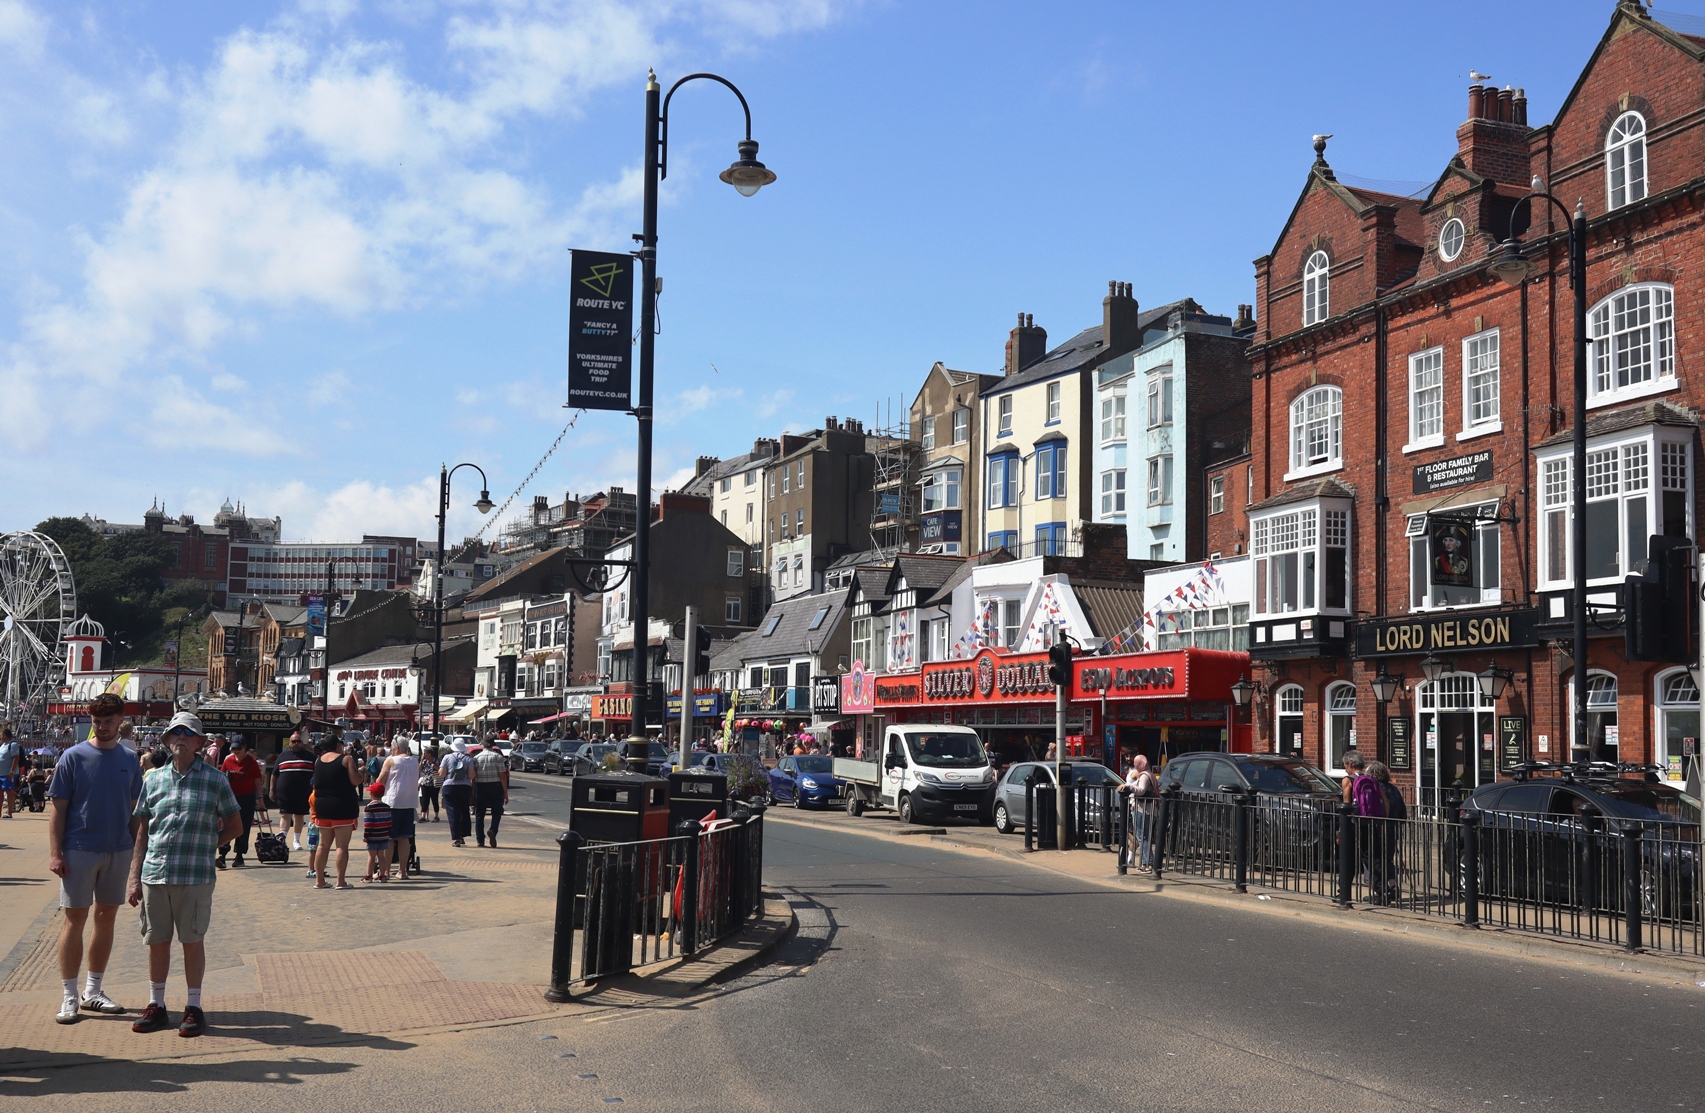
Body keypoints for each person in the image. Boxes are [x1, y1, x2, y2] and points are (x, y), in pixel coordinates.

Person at [126, 711, 242, 1038]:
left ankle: (193, 1006)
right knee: (156, 941)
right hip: (155, 874)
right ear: (166, 739)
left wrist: (207, 845)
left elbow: (235, 825)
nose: (180, 738)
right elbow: (143, 831)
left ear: (199, 742)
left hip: (195, 876)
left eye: (188, 733)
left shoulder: (215, 780)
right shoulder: (153, 780)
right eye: (175, 732)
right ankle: (157, 1004)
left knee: (192, 940)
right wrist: (134, 877)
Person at [46, 692, 145, 1024]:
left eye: (108, 721)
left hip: (118, 849)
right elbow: (58, 811)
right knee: (74, 919)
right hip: (79, 848)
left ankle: (93, 990)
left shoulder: (130, 759)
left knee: (106, 917)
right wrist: (56, 853)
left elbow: (135, 812)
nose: (102, 727)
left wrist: (137, 856)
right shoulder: (73, 757)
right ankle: (69, 995)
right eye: (97, 721)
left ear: (120, 722)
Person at [310, 736, 362, 889]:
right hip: (342, 806)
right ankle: (340, 881)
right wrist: (361, 773)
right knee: (341, 846)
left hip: (322, 806)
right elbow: (355, 780)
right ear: (338, 745)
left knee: (323, 845)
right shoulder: (346, 759)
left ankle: (319, 881)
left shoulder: (318, 761)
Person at [217, 739, 263, 869]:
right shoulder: (228, 760)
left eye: (238, 749)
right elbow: (221, 777)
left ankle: (239, 855)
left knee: (243, 826)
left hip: (247, 798)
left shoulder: (251, 762)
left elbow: (257, 782)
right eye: (233, 749)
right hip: (230, 798)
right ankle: (222, 855)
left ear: (244, 747)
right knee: (226, 825)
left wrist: (260, 799)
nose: (236, 751)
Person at [377, 737, 419, 880]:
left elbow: (380, 781)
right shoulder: (414, 761)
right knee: (404, 838)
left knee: (389, 839)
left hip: (392, 802)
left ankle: (386, 871)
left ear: (396, 748)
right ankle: (402, 871)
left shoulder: (391, 760)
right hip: (409, 802)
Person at [273, 733, 315, 851]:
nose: (296, 744)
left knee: (299, 816)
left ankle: (296, 840)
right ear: (289, 743)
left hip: (303, 793)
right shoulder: (282, 756)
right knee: (285, 815)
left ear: (302, 742)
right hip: (285, 793)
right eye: (293, 741)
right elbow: (274, 775)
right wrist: (271, 790)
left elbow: (317, 775)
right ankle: (282, 839)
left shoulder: (310, 756)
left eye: (298, 741)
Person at [471, 735, 509, 848]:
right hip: (495, 787)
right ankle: (493, 829)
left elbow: (473, 777)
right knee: (497, 811)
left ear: (483, 744)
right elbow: (502, 776)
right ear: (493, 745)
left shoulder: (476, 758)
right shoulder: (498, 757)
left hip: (480, 786)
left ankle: (480, 840)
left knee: (479, 814)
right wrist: (505, 792)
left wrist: (472, 792)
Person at [1123, 754, 1159, 871]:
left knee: (1142, 837)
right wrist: (1127, 786)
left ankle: (1149, 863)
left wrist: (1129, 788)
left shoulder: (1144, 776)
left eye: (1136, 763)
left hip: (1142, 810)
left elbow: (1141, 790)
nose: (1135, 765)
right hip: (1148, 810)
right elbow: (1134, 785)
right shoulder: (1149, 774)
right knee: (1143, 837)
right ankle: (1145, 863)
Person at [439, 741, 475, 848]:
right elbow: (471, 775)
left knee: (452, 812)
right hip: (465, 787)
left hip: (449, 786)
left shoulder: (447, 757)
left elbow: (442, 773)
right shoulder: (468, 759)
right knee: (464, 810)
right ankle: (463, 834)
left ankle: (457, 837)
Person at [360, 783, 393, 883]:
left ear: (371, 794)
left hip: (373, 835)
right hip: (384, 835)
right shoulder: (386, 807)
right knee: (381, 856)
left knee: (371, 856)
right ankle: (382, 875)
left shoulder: (369, 807)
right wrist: (388, 832)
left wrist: (366, 835)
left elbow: (368, 823)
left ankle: (369, 876)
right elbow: (389, 821)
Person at [0, 726, 21, 818]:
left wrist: (12, 770)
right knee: (0, 792)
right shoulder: (2, 745)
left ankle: (9, 812)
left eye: (1, 735)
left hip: (8, 773)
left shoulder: (12, 744)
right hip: (1, 773)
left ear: (4, 735)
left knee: (9, 791)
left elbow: (16, 757)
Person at [418, 745, 442, 823]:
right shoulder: (425, 761)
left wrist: (436, 767)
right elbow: (420, 770)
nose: (424, 755)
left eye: (425, 753)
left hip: (434, 783)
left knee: (434, 799)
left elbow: (442, 770)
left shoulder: (437, 761)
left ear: (429, 754)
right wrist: (421, 761)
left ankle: (436, 816)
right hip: (425, 783)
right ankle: (423, 816)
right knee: (424, 800)